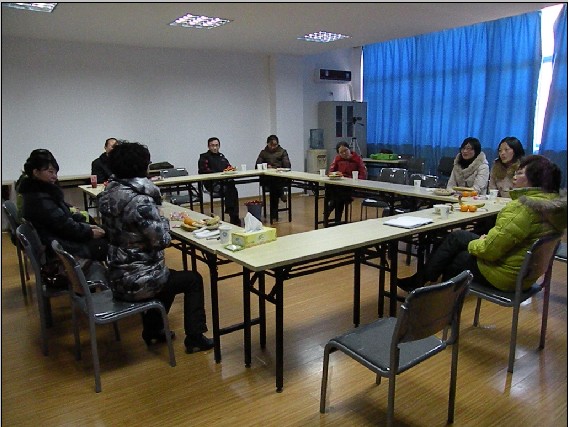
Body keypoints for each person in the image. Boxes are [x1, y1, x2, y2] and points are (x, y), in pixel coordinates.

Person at [98, 141, 213, 353]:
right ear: (142, 167)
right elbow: (162, 240)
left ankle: (154, 331)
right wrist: (163, 220)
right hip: (136, 279)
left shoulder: (108, 194)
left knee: (168, 277)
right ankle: (195, 338)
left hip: (116, 273)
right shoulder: (140, 201)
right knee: (192, 280)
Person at [399, 155, 566, 293]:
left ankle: (434, 301)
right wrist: (485, 241)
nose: (515, 176)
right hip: (525, 275)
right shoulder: (554, 206)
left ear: (535, 179)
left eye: (520, 173)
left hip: (505, 276)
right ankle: (421, 282)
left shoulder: (523, 208)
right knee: (456, 237)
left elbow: (489, 251)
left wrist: (478, 243)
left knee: (457, 257)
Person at [18, 149, 108, 282]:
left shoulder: (38, 193)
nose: (54, 176)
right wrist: (88, 231)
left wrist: (88, 227)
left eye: (55, 172)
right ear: (36, 172)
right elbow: (64, 226)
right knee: (109, 244)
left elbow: (64, 218)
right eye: (50, 172)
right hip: (61, 249)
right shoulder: (40, 199)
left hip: (58, 241)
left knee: (105, 232)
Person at [198, 137, 241, 226]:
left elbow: (229, 167)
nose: (215, 147)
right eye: (212, 145)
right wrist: (220, 174)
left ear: (219, 146)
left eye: (216, 145)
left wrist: (230, 170)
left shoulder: (222, 157)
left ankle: (233, 213)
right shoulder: (204, 157)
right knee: (231, 189)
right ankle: (233, 215)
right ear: (208, 146)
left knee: (232, 188)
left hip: (224, 182)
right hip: (212, 184)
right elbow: (204, 171)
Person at [325, 141, 367, 224]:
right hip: (340, 185)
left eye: (345, 150)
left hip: (351, 186)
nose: (344, 153)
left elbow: (363, 175)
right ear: (338, 153)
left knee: (338, 197)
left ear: (349, 149)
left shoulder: (357, 159)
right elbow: (331, 172)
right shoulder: (337, 159)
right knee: (336, 193)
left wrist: (350, 178)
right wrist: (336, 174)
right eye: (341, 152)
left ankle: (328, 213)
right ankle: (337, 220)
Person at [255, 134, 291, 223]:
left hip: (280, 177)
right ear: (267, 144)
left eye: (275, 145)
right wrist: (266, 166)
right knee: (274, 185)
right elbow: (257, 166)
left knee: (274, 185)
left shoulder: (282, 152)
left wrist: (275, 167)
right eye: (271, 145)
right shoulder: (263, 153)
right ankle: (281, 193)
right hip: (267, 179)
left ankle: (274, 213)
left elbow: (287, 165)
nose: (273, 147)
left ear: (278, 144)